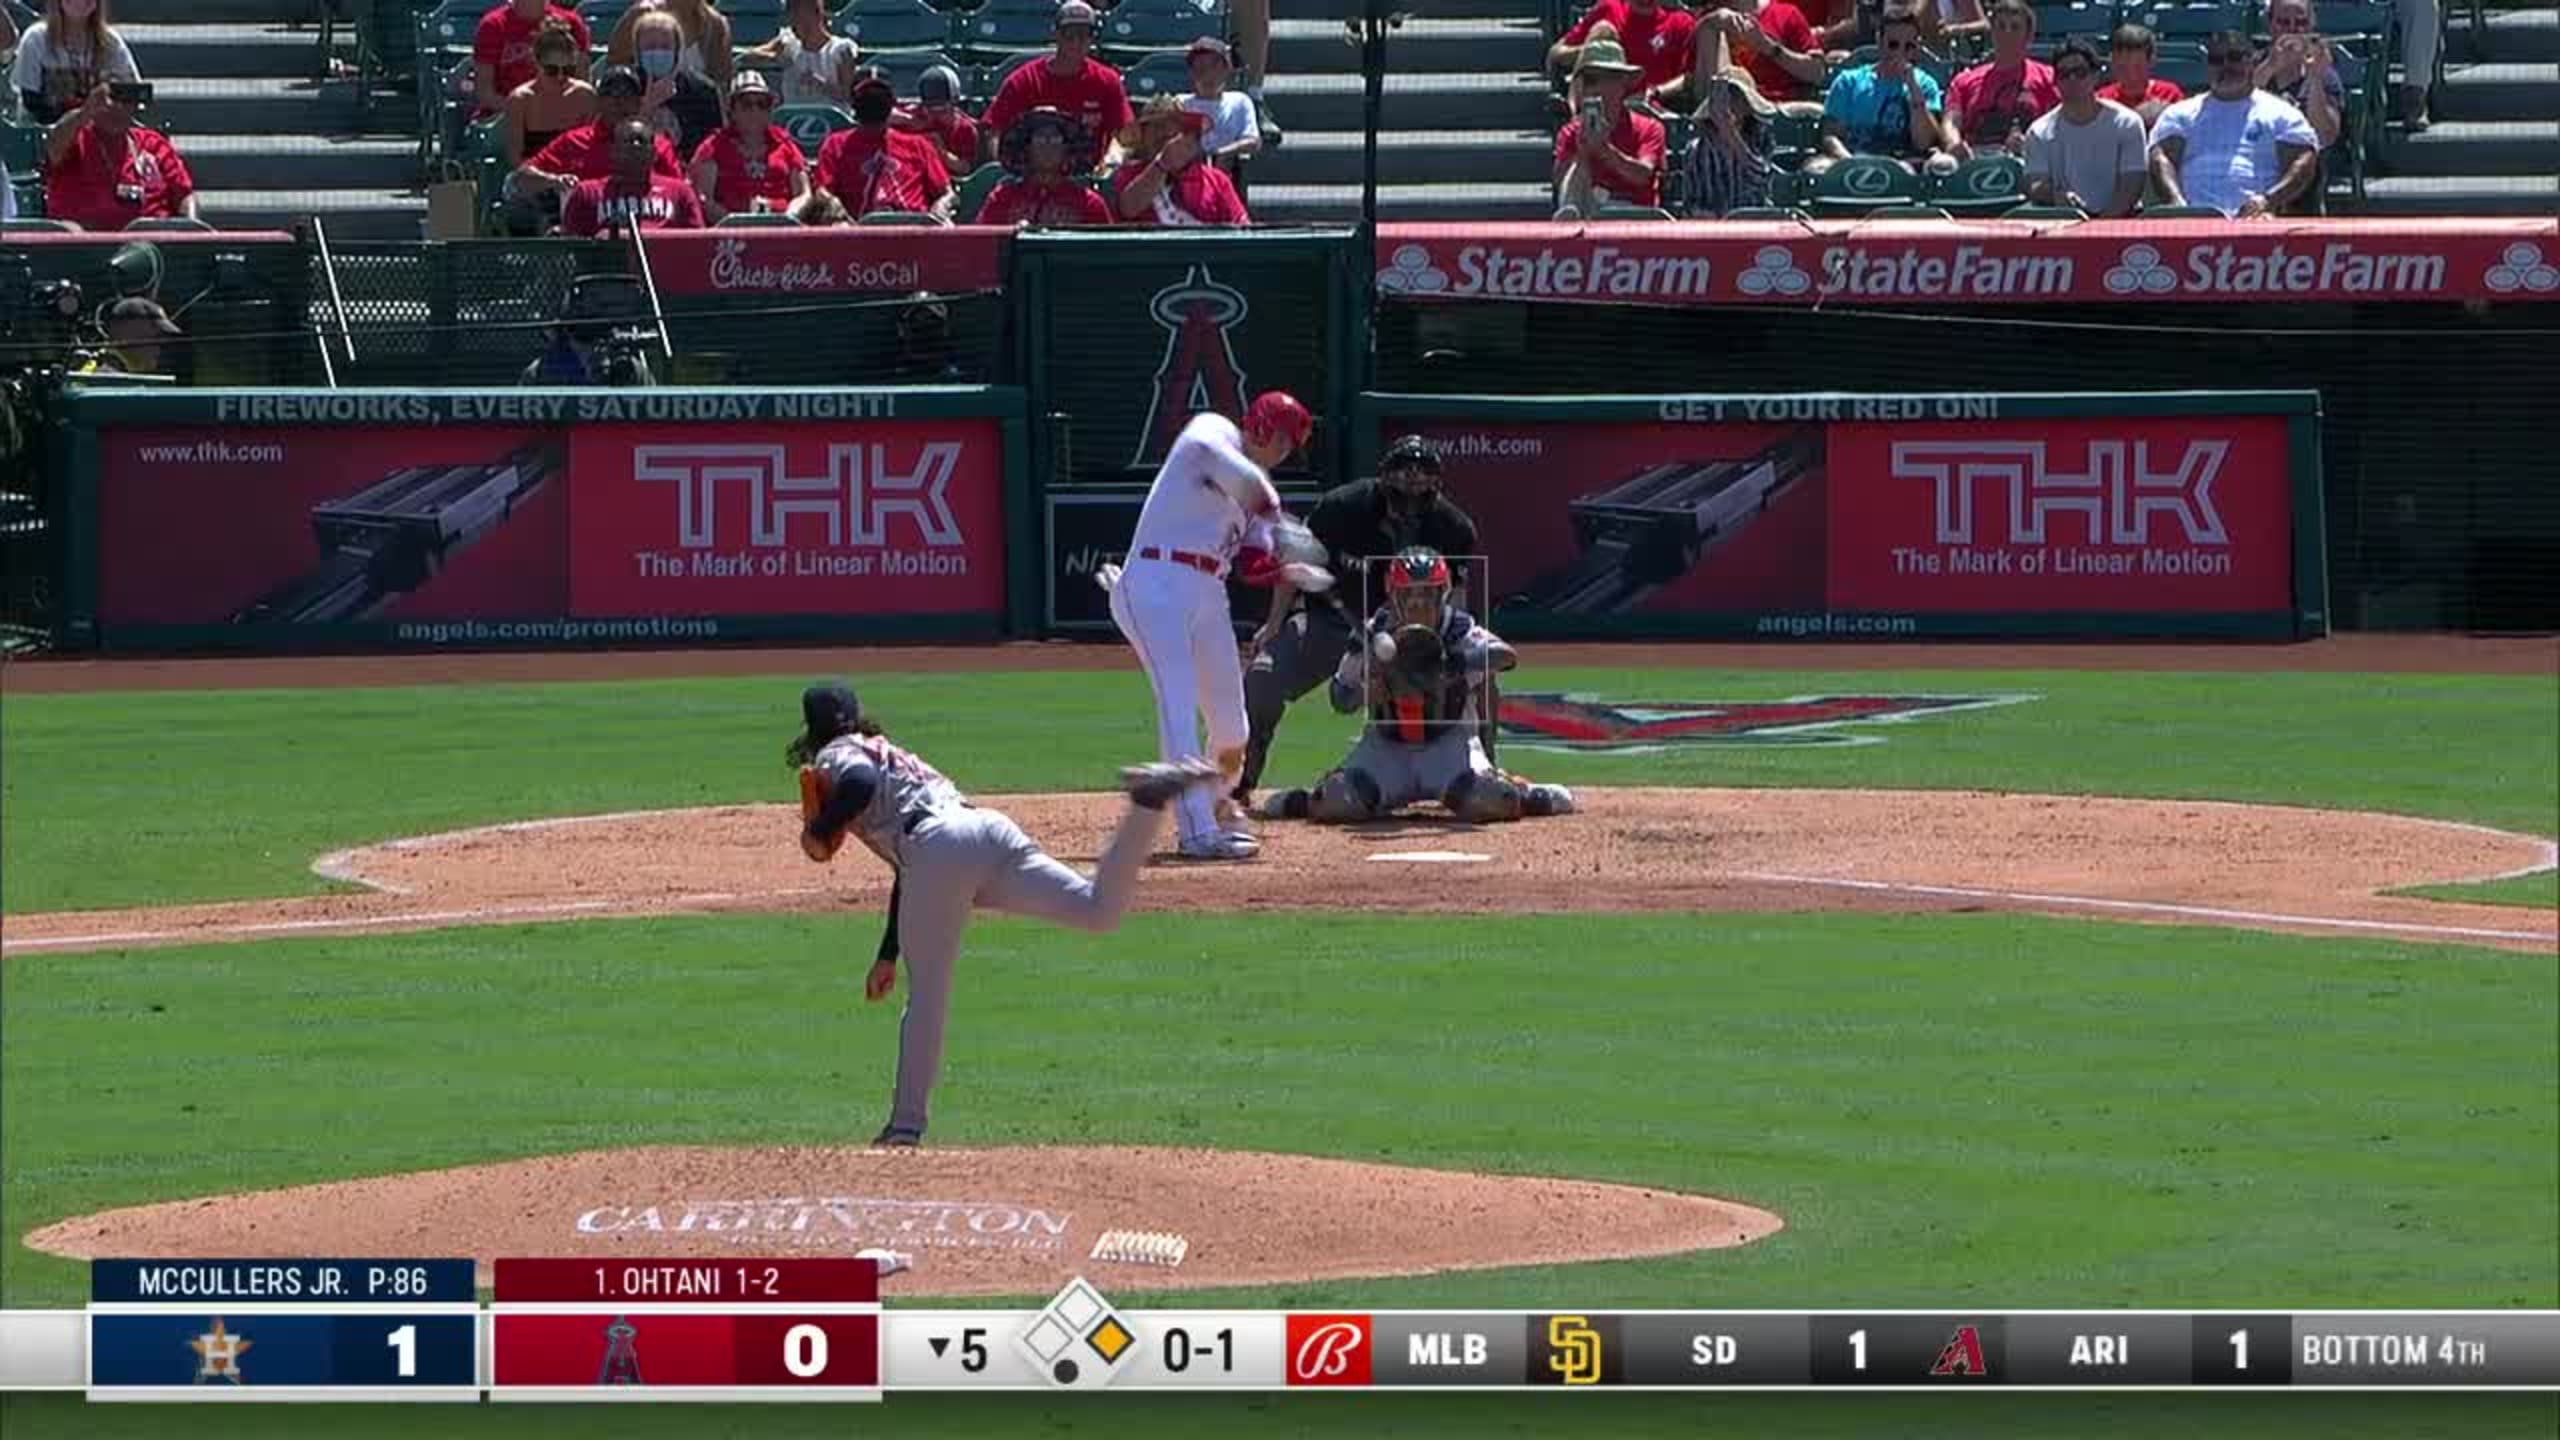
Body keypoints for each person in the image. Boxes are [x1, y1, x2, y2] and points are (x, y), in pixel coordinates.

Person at [790, 679, 1227, 1148]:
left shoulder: (837, 753)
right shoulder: (885, 750)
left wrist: (820, 827)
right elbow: (907, 869)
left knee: (929, 996)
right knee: (1097, 909)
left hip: (937, 848)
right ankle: (1147, 802)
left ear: (812, 729)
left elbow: (859, 785)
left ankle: (904, 1128)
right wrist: (887, 955)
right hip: (986, 832)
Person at [1106, 391, 1319, 861]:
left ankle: (1219, 802)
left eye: (1291, 445)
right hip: (1155, 581)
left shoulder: (1256, 497)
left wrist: (1288, 568)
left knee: (1232, 727)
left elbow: (1253, 564)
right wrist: (1272, 507)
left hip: (1208, 591)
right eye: (1282, 438)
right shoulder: (1212, 431)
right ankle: (1197, 832)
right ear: (1260, 425)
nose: (1285, 451)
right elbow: (1223, 465)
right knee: (1178, 706)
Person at [1236, 433, 1480, 807]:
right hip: (1331, 624)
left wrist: (1448, 649)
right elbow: (1297, 564)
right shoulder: (1342, 507)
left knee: (1481, 674)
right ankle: (1242, 781)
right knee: (1263, 678)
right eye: (1403, 477)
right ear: (1383, 478)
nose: (1411, 488)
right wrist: (1274, 624)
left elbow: (1456, 600)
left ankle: (1480, 771)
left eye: (1420, 479)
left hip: (1412, 636)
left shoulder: (1454, 528)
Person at [1257, 548, 1574, 827]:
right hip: (1385, 749)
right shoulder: (1372, 634)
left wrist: (1451, 666)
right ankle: (1311, 797)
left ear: (1443, 593)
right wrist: (1366, 692)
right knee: (1338, 804)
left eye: (1427, 593)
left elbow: (1505, 656)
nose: (1418, 602)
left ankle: (1520, 791)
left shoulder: (1458, 629)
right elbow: (1340, 698)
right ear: (1393, 594)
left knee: (1492, 802)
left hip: (1450, 746)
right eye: (1408, 593)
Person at [2149, 30, 2319, 218]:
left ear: (2252, 62)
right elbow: (2161, 157)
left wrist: (2268, 200)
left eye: (2235, 58)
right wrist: (2177, 203)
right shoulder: (2180, 114)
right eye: (2216, 60)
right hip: (2194, 217)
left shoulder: (2281, 113)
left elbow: (2303, 160)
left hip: (2258, 218)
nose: (2226, 66)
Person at [513, 65, 685, 228]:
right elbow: (522, 177)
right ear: (599, 101)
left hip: (650, 229)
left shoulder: (658, 145)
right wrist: (555, 181)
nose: (619, 102)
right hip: (588, 234)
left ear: (639, 102)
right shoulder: (574, 141)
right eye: (610, 94)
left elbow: (681, 192)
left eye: (627, 95)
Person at [980, 1, 1132, 167]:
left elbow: (1124, 134)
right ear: (1057, 35)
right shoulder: (1025, 80)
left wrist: (1113, 159)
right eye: (1069, 34)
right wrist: (1002, 167)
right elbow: (994, 130)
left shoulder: (1107, 81)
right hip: (1030, 173)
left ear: (1092, 38)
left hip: (1088, 172)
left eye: (1083, 34)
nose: (1076, 41)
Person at [1814, 3, 1952, 172]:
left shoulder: (1925, 85)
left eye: (1909, 46)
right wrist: (1850, 162)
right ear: (1879, 41)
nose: (1900, 52)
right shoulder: (1848, 82)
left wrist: (1913, 88)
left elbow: (1923, 143)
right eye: (1893, 45)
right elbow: (1831, 136)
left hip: (1905, 167)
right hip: (1853, 162)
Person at [42, 80, 193, 232]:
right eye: (111, 102)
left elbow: (184, 195)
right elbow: (54, 144)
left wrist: (191, 226)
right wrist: (85, 112)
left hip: (150, 236)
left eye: (126, 102)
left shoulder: (153, 144)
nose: (118, 108)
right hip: (85, 238)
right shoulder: (76, 139)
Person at [2023, 37, 2146, 216]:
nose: (2072, 79)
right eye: (2064, 74)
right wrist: (2056, 197)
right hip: (2064, 222)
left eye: (2080, 72)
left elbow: (2132, 185)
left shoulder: (2126, 123)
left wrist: (2101, 224)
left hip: (2120, 221)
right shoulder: (2039, 132)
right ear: (2056, 81)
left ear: (2095, 75)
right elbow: (2035, 183)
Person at [812, 66, 953, 221]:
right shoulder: (836, 145)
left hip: (912, 226)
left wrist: (941, 206)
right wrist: (833, 205)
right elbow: (822, 191)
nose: (873, 104)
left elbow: (946, 192)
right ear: (854, 103)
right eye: (866, 99)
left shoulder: (918, 145)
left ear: (891, 103)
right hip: (858, 228)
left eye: (880, 98)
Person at [1551, 38, 1666, 216]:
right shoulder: (1571, 132)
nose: (1594, 88)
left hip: (1635, 216)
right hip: (1588, 213)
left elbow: (1643, 175)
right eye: (1589, 80)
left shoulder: (1650, 128)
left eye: (1604, 78)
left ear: (1622, 83)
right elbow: (1559, 183)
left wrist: (1604, 150)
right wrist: (1583, 153)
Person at [1945, 0, 2057, 159]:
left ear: (2029, 36)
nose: (2007, 33)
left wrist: (2033, 144)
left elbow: (2062, 122)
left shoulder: (2048, 77)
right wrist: (1954, 143)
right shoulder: (1964, 81)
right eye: (2001, 26)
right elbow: (1951, 121)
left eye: (2015, 27)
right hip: (1975, 161)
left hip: (2030, 160)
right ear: (1992, 32)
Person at [1112, 95, 1248, 225]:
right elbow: (1128, 209)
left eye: (1172, 126)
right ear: (1143, 138)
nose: (1163, 133)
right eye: (1155, 127)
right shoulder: (1128, 175)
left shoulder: (1217, 181)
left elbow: (1243, 229)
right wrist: (1162, 165)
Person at [690, 70, 808, 220]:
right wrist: (734, 222)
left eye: (762, 104)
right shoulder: (713, 147)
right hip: (729, 228)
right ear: (732, 110)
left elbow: (803, 194)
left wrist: (788, 217)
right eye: (746, 104)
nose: (755, 110)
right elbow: (704, 198)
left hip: (782, 224)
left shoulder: (785, 144)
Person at [560, 116, 707, 235]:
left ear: (654, 154)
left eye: (641, 141)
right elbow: (572, 245)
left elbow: (697, 241)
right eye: (628, 141)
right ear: (613, 152)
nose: (635, 145)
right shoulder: (587, 193)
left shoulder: (680, 192)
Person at [972, 106, 1111, 227]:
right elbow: (982, 240)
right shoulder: (1002, 199)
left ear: (1067, 149)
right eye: (1039, 137)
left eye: (1055, 137)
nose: (1047, 144)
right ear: (1027, 148)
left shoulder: (1089, 204)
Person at [12, 0, 138, 126]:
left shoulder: (110, 42)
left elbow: (132, 90)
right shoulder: (36, 39)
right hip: (44, 131)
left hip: (98, 132)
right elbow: (30, 102)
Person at [1679, 0, 1825, 108]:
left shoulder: (1786, 14)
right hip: (1727, 114)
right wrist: (1711, 26)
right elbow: (1699, 90)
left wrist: (1767, 46)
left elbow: (1817, 73)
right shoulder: (1708, 21)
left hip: (1776, 113)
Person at [1548, 0, 1699, 101]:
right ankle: (1576, 110)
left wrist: (1656, 92)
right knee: (1603, 29)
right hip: (1604, 103)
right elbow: (1556, 54)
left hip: (1654, 107)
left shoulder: (1680, 22)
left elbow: (1690, 76)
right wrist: (1595, 48)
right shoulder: (1609, 9)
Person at [1682, 66, 1779, 216]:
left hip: (1754, 223)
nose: (1730, 103)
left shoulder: (1762, 139)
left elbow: (1762, 180)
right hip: (1712, 226)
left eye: (1736, 96)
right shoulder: (1696, 150)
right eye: (1725, 96)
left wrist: (1730, 133)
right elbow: (1691, 203)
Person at [628, 6, 723, 156]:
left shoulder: (703, 91)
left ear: (677, 50)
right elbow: (616, 145)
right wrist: (646, 109)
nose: (657, 52)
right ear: (638, 52)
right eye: (650, 47)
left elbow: (714, 146)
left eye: (665, 47)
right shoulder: (624, 87)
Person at [502, 20, 596, 167]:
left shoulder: (585, 96)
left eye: (568, 70)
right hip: (532, 173)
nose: (560, 76)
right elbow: (515, 158)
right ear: (537, 63)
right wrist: (546, 177)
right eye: (552, 70)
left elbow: (593, 149)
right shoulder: (520, 100)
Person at [2254, 0, 2345, 154]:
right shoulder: (2252, 65)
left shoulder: (2324, 72)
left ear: (2310, 26)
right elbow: (2234, 111)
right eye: (2283, 22)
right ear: (2270, 25)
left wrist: (2315, 78)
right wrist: (2269, 68)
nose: (2292, 29)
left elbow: (2325, 136)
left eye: (2301, 22)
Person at [474, 0, 589, 117]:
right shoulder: (493, 25)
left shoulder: (572, 23)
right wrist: (524, 111)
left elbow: (581, 83)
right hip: (503, 115)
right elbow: (485, 92)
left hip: (562, 114)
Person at [743, 0, 859, 107]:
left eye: (800, 17)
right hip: (792, 117)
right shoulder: (788, 42)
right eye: (793, 15)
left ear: (817, 15)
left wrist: (820, 84)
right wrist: (775, 57)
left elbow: (847, 95)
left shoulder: (841, 49)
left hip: (829, 118)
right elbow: (750, 56)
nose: (795, 22)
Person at [605, 0, 732, 92]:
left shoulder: (716, 25)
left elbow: (721, 82)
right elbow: (615, 71)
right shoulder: (641, 14)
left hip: (695, 111)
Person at [1181, 36, 1260, 170]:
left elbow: (1253, 141)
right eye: (1200, 66)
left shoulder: (1240, 101)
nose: (1208, 72)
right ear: (1192, 72)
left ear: (1226, 69)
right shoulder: (1180, 104)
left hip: (1225, 172)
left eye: (1214, 66)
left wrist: (1220, 153)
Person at [894, 64, 982, 176]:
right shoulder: (916, 114)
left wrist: (941, 152)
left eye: (941, 110)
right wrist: (908, 121)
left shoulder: (965, 128)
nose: (934, 115)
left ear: (954, 103)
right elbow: (884, 115)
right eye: (929, 109)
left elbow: (965, 168)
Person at [2095, 22, 2181, 130]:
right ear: (2112, 62)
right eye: (2122, 67)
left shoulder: (2169, 94)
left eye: (2137, 66)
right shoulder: (2102, 100)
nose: (2131, 74)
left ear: (2151, 61)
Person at [96, 294, 180, 375]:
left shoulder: (131, 378)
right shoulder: (103, 378)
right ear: (127, 333)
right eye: (156, 337)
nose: (159, 349)